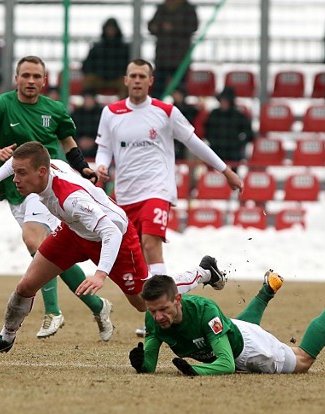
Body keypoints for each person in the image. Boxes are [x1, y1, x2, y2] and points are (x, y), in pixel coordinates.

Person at [0, 142, 227, 360]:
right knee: (26, 286)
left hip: (116, 238)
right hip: (74, 232)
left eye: (21, 174)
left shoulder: (71, 199)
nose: (15, 179)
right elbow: (16, 160)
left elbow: (110, 233)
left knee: (143, 301)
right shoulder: (51, 167)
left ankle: (203, 272)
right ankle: (6, 338)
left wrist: (100, 274)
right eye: (15, 172)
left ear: (42, 172)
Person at [94, 59, 243, 337]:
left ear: (151, 81)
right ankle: (202, 273)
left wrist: (225, 170)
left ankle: (156, 316)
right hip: (124, 196)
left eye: (142, 76)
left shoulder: (165, 111)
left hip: (157, 191)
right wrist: (102, 165)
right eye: (132, 76)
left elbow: (194, 141)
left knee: (151, 246)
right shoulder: (111, 113)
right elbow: (104, 148)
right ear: (125, 80)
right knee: (136, 264)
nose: (137, 80)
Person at [0, 55, 111, 341]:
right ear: (16, 79)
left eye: (37, 76)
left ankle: (54, 312)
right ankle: (98, 305)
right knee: (48, 252)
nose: (31, 81)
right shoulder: (2, 105)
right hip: (16, 188)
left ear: (45, 81)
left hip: (48, 184)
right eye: (26, 75)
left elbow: (68, 143)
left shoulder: (55, 110)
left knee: (33, 239)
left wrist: (83, 168)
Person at [129, 272, 325, 375]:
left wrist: (196, 370)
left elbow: (226, 364)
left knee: (302, 361)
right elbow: (149, 362)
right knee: (231, 330)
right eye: (153, 311)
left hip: (248, 350)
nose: (158, 316)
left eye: (164, 309)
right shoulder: (153, 317)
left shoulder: (205, 312)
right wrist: (142, 364)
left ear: (178, 299)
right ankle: (267, 289)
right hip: (231, 331)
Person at [148, 0, 199, 99]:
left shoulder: (188, 9)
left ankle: (179, 113)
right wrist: (159, 27)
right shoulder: (162, 8)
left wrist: (173, 28)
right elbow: (151, 26)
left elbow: (193, 26)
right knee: (158, 92)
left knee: (180, 92)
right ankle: (157, 112)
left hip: (179, 59)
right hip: (162, 59)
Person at [203, 86, 254, 169]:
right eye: (222, 100)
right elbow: (207, 131)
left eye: (226, 100)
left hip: (233, 151)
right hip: (217, 149)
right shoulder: (214, 114)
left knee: (233, 171)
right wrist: (214, 141)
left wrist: (238, 143)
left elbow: (249, 134)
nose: (224, 103)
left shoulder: (238, 116)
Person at [81, 18, 130, 98]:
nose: (110, 31)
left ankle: (123, 106)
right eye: (108, 29)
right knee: (88, 80)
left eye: (112, 29)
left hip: (118, 79)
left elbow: (129, 66)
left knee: (126, 83)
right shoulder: (97, 47)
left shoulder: (124, 48)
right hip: (100, 78)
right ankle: (90, 105)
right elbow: (86, 65)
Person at [71, 90, 102, 159]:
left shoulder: (101, 114)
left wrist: (93, 141)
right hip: (79, 145)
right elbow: (71, 131)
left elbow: (104, 132)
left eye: (90, 99)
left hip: (97, 146)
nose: (88, 101)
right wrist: (79, 140)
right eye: (86, 99)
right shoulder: (76, 114)